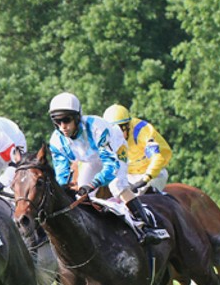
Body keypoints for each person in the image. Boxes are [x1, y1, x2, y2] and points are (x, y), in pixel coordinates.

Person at [48, 92, 167, 245]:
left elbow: (111, 166)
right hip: (91, 159)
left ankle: (147, 226)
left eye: (66, 120)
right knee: (79, 196)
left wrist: (92, 184)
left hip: (115, 153)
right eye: (57, 121)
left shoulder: (97, 128)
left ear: (77, 117)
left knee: (117, 186)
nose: (62, 126)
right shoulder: (56, 141)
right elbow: (61, 175)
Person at [103, 104, 172, 194]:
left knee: (144, 196)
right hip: (129, 175)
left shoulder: (142, 131)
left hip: (154, 174)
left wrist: (145, 179)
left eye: (119, 130)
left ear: (127, 126)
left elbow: (157, 158)